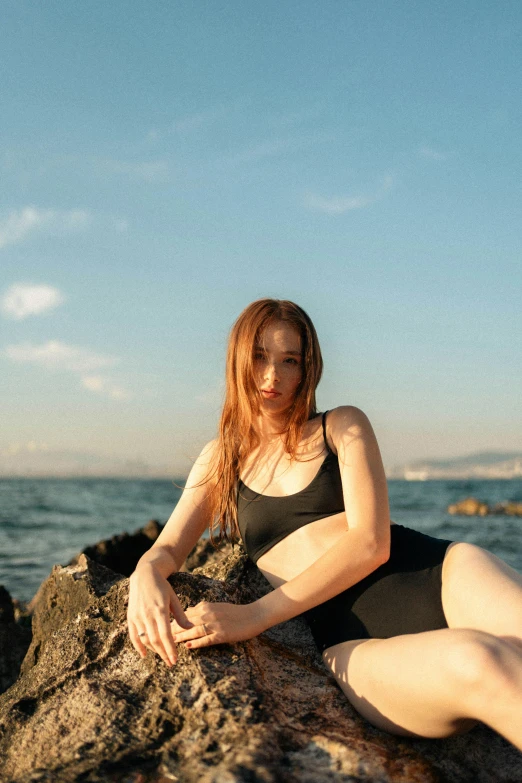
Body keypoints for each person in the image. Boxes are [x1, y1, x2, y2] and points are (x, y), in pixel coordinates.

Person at [127, 298, 522, 750]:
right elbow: (169, 548)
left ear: (307, 368)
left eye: (288, 360)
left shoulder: (342, 426)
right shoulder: (221, 459)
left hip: (442, 574)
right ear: (237, 359)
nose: (272, 376)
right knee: (481, 659)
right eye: (259, 357)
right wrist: (145, 575)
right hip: (353, 639)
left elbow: (372, 542)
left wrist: (253, 617)